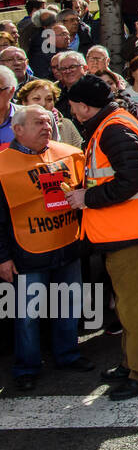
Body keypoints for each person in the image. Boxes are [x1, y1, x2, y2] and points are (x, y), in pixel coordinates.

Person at [65, 75, 138, 400]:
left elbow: (132, 179)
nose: (70, 111)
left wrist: (87, 198)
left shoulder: (112, 128)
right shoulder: (112, 123)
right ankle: (132, 363)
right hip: (129, 229)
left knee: (135, 306)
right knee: (129, 304)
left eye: (72, 106)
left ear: (84, 106)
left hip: (131, 231)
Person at [0, 105, 90, 391]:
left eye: (49, 122)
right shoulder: (2, 166)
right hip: (27, 252)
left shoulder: (68, 154)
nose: (46, 127)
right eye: (38, 123)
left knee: (68, 304)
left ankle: (68, 354)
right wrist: (3, 257)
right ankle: (26, 366)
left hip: (67, 244)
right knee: (26, 314)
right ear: (18, 130)